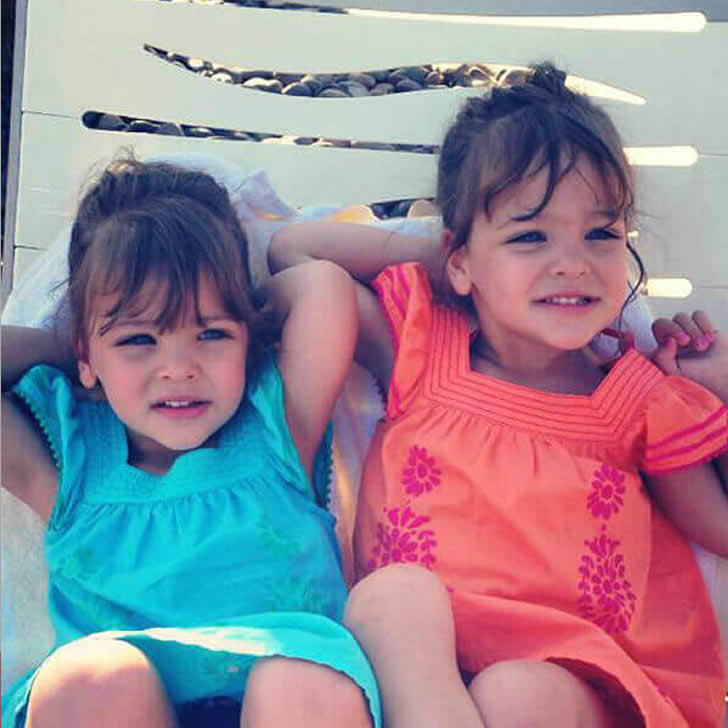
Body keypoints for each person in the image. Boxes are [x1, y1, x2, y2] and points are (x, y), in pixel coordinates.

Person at [268, 63, 727, 727]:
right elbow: (294, 249)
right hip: (417, 665)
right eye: (529, 236)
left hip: (581, 684)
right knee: (390, 597)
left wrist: (720, 385)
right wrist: (445, 262)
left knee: (514, 693)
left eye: (601, 234)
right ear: (458, 258)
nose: (572, 263)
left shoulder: (640, 399)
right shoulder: (419, 349)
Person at [1, 157, 380, 728]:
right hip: (118, 705)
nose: (179, 368)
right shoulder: (67, 466)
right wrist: (81, 352)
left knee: (301, 676)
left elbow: (322, 285)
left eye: (211, 333)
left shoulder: (279, 429)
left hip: (286, 695)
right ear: (85, 351)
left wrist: (235, 321)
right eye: (139, 340)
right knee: (91, 676)